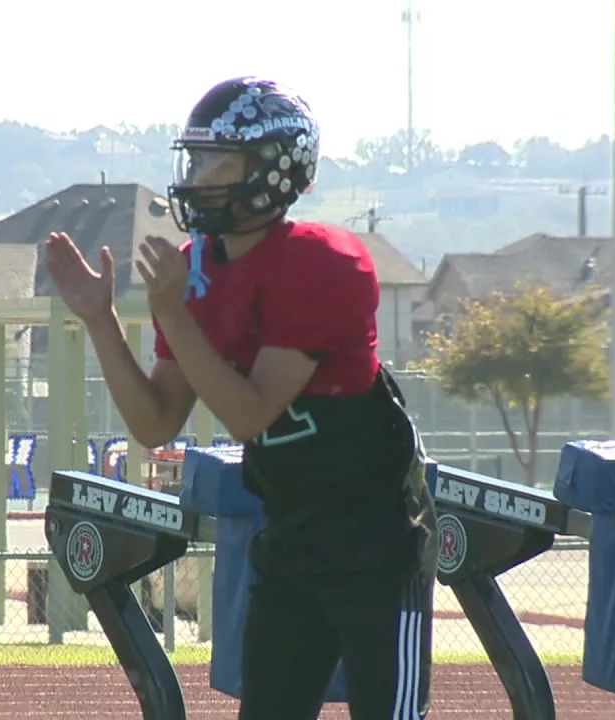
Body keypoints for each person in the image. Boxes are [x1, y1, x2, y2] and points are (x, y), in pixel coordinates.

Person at [45, 76, 438, 720]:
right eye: (194, 159)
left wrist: (173, 313)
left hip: (375, 549)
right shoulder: (196, 265)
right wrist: (99, 319)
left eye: (217, 160)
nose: (198, 176)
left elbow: (250, 412)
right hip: (289, 544)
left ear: (275, 168)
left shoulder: (324, 261)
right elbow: (154, 421)